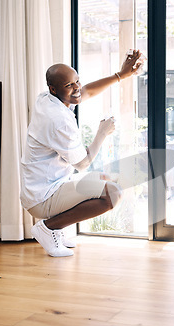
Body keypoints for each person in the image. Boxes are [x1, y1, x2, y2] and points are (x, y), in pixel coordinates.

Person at [20, 50, 144, 257]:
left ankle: (55, 229)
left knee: (110, 180)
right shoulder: (58, 120)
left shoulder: (46, 99)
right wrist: (102, 133)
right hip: (43, 197)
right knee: (112, 194)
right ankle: (49, 227)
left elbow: (85, 91)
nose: (77, 87)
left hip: (47, 186)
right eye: (69, 85)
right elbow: (83, 164)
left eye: (76, 80)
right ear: (53, 89)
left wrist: (122, 75)